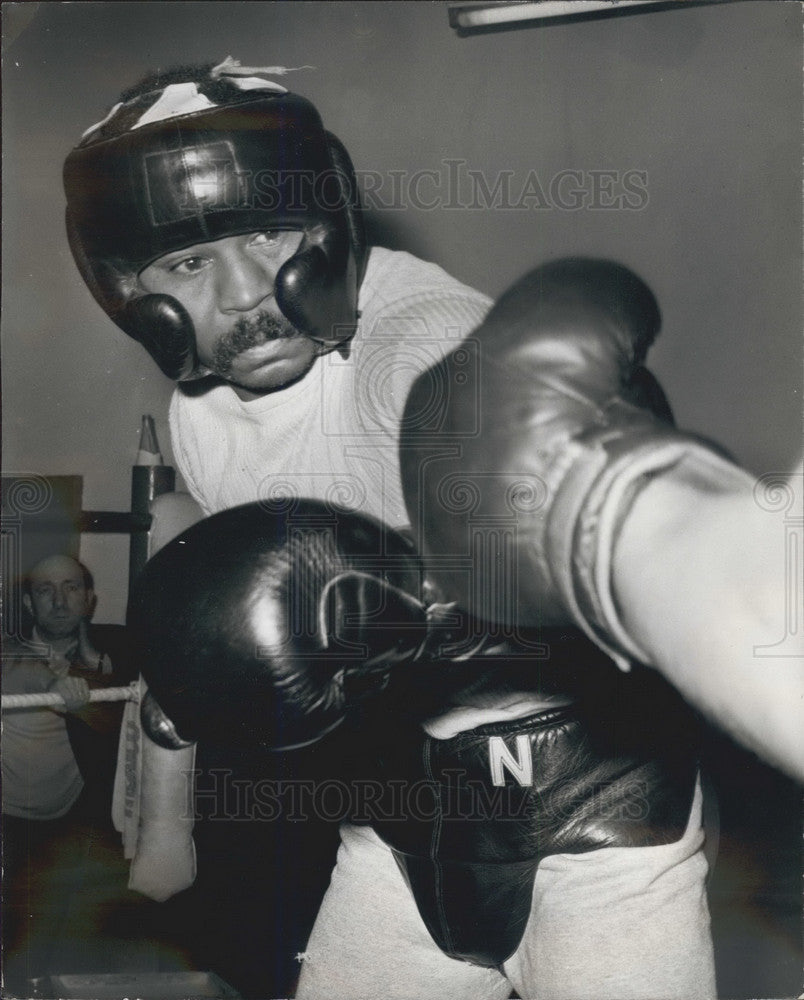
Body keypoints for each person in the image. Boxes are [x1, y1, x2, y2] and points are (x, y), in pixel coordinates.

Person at [63, 60, 719, 1000]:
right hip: (398, 806)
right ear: (130, 289)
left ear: (325, 220)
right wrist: (168, 813)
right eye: (191, 261)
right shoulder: (198, 415)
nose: (247, 293)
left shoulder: (418, 334)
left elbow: (466, 401)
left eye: (268, 230)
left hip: (592, 799)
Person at [2, 554, 124, 980]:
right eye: (44, 590)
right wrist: (57, 683)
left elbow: (119, 718)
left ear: (89, 600)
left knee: (68, 950)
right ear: (29, 604)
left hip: (77, 823)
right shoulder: (10, 648)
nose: (58, 600)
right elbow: (16, 670)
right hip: (8, 822)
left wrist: (87, 672)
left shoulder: (115, 649)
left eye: (70, 587)